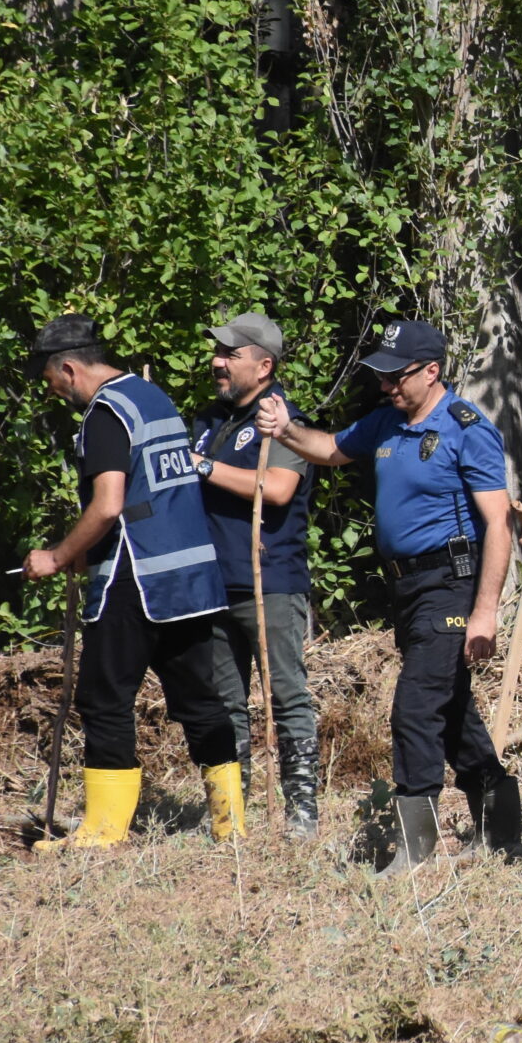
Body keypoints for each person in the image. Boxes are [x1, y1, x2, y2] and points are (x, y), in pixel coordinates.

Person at [256, 319, 518, 876]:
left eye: (397, 377)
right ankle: (500, 817)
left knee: (416, 707)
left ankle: (413, 848)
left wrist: (485, 612)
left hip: (451, 580)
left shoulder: (466, 428)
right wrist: (284, 429)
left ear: (432, 370)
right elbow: (328, 449)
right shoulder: (386, 422)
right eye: (382, 377)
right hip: (406, 586)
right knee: (447, 711)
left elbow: (499, 524)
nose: (387, 387)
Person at [21, 316, 244, 849]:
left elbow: (109, 503)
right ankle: (230, 825)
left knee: (103, 698)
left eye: (54, 384)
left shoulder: (104, 413)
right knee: (199, 701)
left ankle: (102, 833)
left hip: (135, 577)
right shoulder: (150, 395)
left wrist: (58, 555)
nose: (57, 394)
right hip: (188, 577)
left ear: (70, 369)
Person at [187, 312, 321, 835]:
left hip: (269, 581)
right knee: (223, 702)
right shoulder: (207, 421)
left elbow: (279, 487)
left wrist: (199, 466)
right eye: (217, 353)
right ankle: (230, 814)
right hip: (211, 582)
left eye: (230, 354)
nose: (218, 363)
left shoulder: (281, 419)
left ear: (263, 366)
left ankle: (301, 815)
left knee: (286, 694)